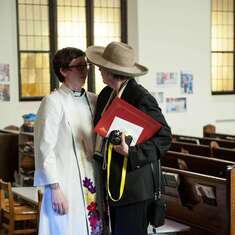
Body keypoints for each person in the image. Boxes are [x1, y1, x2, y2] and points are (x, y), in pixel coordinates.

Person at [86, 41, 172, 235]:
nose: (98, 70)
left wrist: (131, 152)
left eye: (101, 67)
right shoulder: (106, 94)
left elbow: (165, 138)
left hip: (135, 189)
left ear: (110, 71)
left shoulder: (140, 97)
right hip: (113, 183)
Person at [34, 47, 104, 235]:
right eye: (79, 66)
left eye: (86, 65)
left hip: (92, 181)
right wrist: (54, 188)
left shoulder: (94, 100)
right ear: (63, 71)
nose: (85, 71)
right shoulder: (52, 102)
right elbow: (44, 149)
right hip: (65, 183)